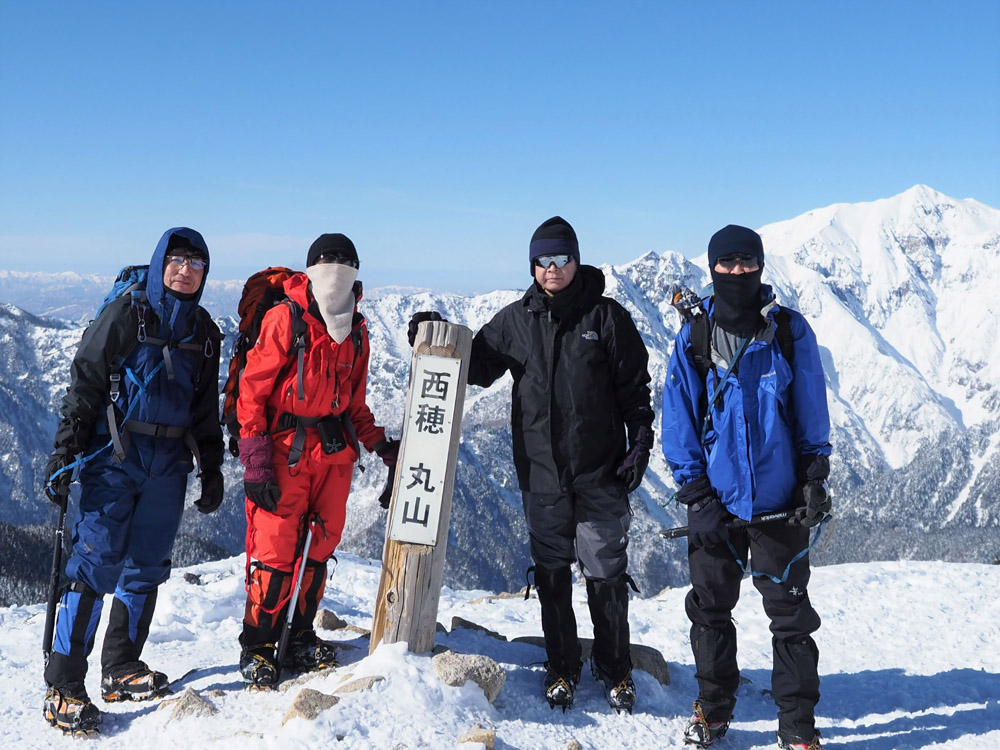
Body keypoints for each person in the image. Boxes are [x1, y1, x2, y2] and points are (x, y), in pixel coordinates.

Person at [409, 216, 654, 713]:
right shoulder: (517, 320)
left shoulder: (606, 318)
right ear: (532, 266)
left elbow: (634, 390)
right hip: (541, 476)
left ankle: (615, 668)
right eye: (542, 261)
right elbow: (478, 366)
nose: (552, 269)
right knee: (552, 573)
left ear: (577, 260)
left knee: (606, 571)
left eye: (561, 259)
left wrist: (641, 441)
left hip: (600, 472)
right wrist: (434, 330)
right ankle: (562, 667)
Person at [42, 227, 225, 736]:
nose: (186, 270)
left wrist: (211, 467)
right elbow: (86, 381)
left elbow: (204, 409)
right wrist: (65, 451)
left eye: (197, 263)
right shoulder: (127, 314)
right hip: (113, 459)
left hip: (169, 464)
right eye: (178, 259)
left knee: (146, 567)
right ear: (160, 262)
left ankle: (120, 667)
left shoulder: (204, 333)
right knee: (93, 565)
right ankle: (64, 684)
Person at [661, 225, 832, 750]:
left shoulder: (787, 331)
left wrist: (814, 478)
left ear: (761, 265)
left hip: (780, 505)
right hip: (716, 505)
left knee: (791, 617)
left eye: (747, 261)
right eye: (726, 262)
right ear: (711, 268)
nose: (737, 271)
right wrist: (697, 496)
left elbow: (809, 407)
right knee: (710, 610)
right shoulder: (694, 337)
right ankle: (712, 712)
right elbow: (679, 421)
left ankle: (797, 727)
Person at [236, 233, 398, 690]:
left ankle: (301, 636)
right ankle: (259, 646)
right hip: (285, 450)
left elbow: (355, 406)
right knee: (274, 550)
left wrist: (381, 445)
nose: (336, 267)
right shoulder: (284, 319)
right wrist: (255, 461)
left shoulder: (358, 331)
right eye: (327, 259)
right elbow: (252, 392)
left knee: (318, 548)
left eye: (346, 260)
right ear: (310, 268)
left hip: (334, 455)